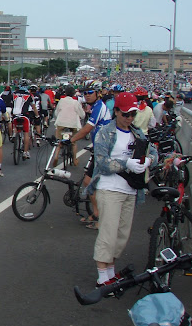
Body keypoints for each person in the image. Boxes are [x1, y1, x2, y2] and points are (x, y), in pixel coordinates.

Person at [86, 92, 158, 287]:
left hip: (131, 190)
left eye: (133, 114)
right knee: (108, 233)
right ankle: (103, 277)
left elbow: (153, 152)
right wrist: (126, 164)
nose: (129, 118)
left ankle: (111, 271)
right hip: (109, 188)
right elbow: (101, 162)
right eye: (126, 114)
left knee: (122, 235)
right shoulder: (105, 132)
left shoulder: (137, 133)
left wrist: (148, 160)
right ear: (116, 111)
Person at [68, 79, 112, 229]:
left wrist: (71, 140)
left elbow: (87, 128)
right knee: (89, 182)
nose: (87, 95)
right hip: (99, 148)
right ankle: (96, 213)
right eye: (85, 93)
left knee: (92, 183)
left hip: (104, 151)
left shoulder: (99, 107)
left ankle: (100, 217)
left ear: (98, 93)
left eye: (90, 92)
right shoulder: (94, 107)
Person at [52, 85, 86, 167]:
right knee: (73, 142)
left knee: (59, 142)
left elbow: (56, 113)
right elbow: (82, 115)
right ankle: (74, 159)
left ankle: (56, 157)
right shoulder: (75, 102)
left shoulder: (61, 101)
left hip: (61, 123)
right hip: (73, 124)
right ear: (73, 94)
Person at [11, 85, 39, 160]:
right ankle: (25, 152)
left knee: (15, 125)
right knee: (26, 133)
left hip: (15, 115)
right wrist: (37, 116)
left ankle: (14, 134)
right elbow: (34, 107)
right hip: (24, 116)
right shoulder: (29, 95)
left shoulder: (14, 93)